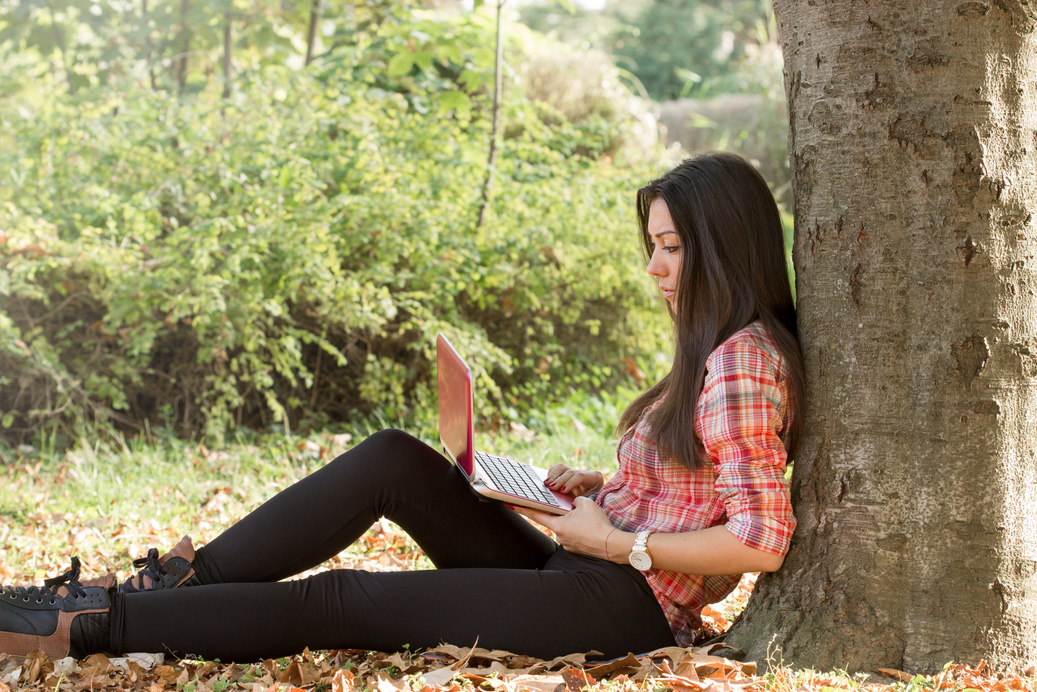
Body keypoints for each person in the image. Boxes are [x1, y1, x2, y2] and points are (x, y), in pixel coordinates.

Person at [0, 152, 805, 663]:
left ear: (724, 247)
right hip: (588, 567)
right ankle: (164, 587)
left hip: (621, 605)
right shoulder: (717, 346)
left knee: (342, 599)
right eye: (652, 246)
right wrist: (602, 488)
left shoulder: (741, 360)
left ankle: (86, 628)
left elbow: (758, 541)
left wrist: (618, 541)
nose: (654, 267)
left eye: (671, 247)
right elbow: (705, 475)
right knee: (394, 458)